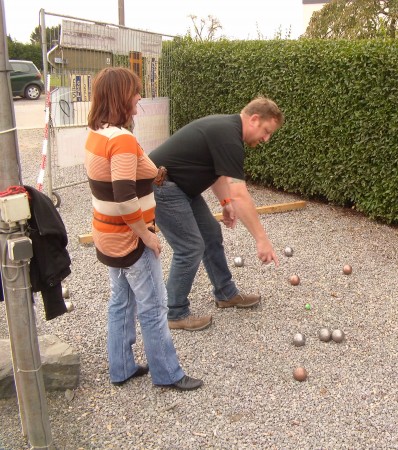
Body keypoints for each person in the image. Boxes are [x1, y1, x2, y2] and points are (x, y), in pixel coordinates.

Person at [84, 67, 202, 390]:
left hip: (105, 235)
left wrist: (152, 172)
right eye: (135, 92)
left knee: (121, 301)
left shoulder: (97, 133)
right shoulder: (121, 140)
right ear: (122, 96)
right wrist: (147, 235)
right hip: (129, 239)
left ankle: (120, 368)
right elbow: (124, 197)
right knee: (153, 306)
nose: (139, 98)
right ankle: (167, 374)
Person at [149, 96, 284, 331]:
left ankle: (225, 293)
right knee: (190, 247)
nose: (266, 139)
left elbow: (220, 174)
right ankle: (175, 312)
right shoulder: (229, 136)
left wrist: (225, 201)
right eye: (265, 131)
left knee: (211, 233)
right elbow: (241, 194)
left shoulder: (228, 131)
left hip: (179, 187)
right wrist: (262, 240)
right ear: (253, 119)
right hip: (162, 186)